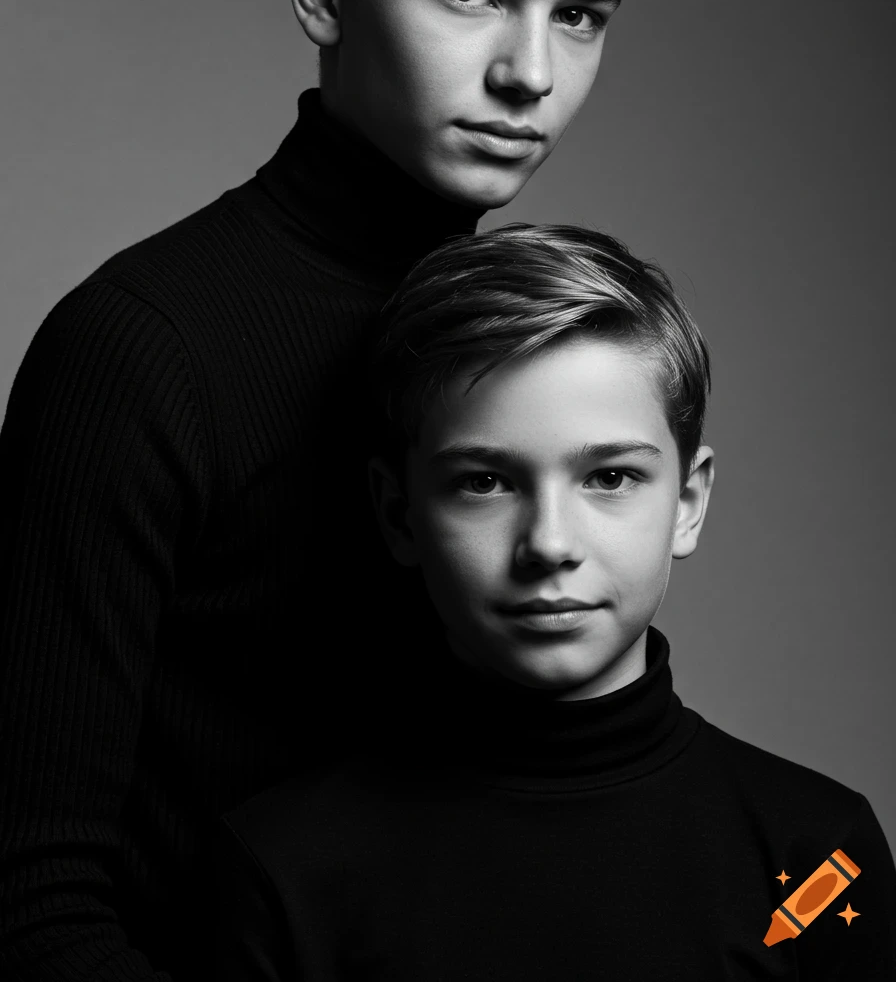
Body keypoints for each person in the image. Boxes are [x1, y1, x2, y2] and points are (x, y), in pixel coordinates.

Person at [0, 0, 659, 982]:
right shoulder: (140, 350)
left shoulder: (525, 350)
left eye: (577, 14)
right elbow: (29, 901)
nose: (529, 73)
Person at [216, 224, 896, 980]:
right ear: (398, 514)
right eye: (484, 482)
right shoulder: (287, 867)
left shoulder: (815, 856)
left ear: (689, 503)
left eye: (609, 478)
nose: (548, 544)